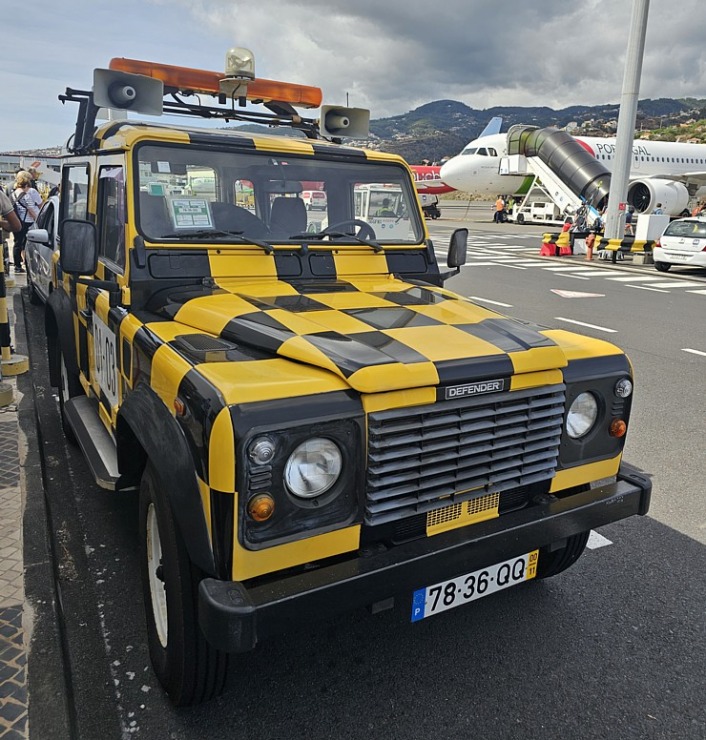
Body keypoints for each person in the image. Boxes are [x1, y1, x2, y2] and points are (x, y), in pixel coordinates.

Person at [11, 171, 40, 272]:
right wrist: (38, 220)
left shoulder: (14, 193)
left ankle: (17, 265)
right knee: (27, 244)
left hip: (17, 220)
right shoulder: (26, 195)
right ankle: (28, 263)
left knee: (18, 243)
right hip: (27, 222)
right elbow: (31, 210)